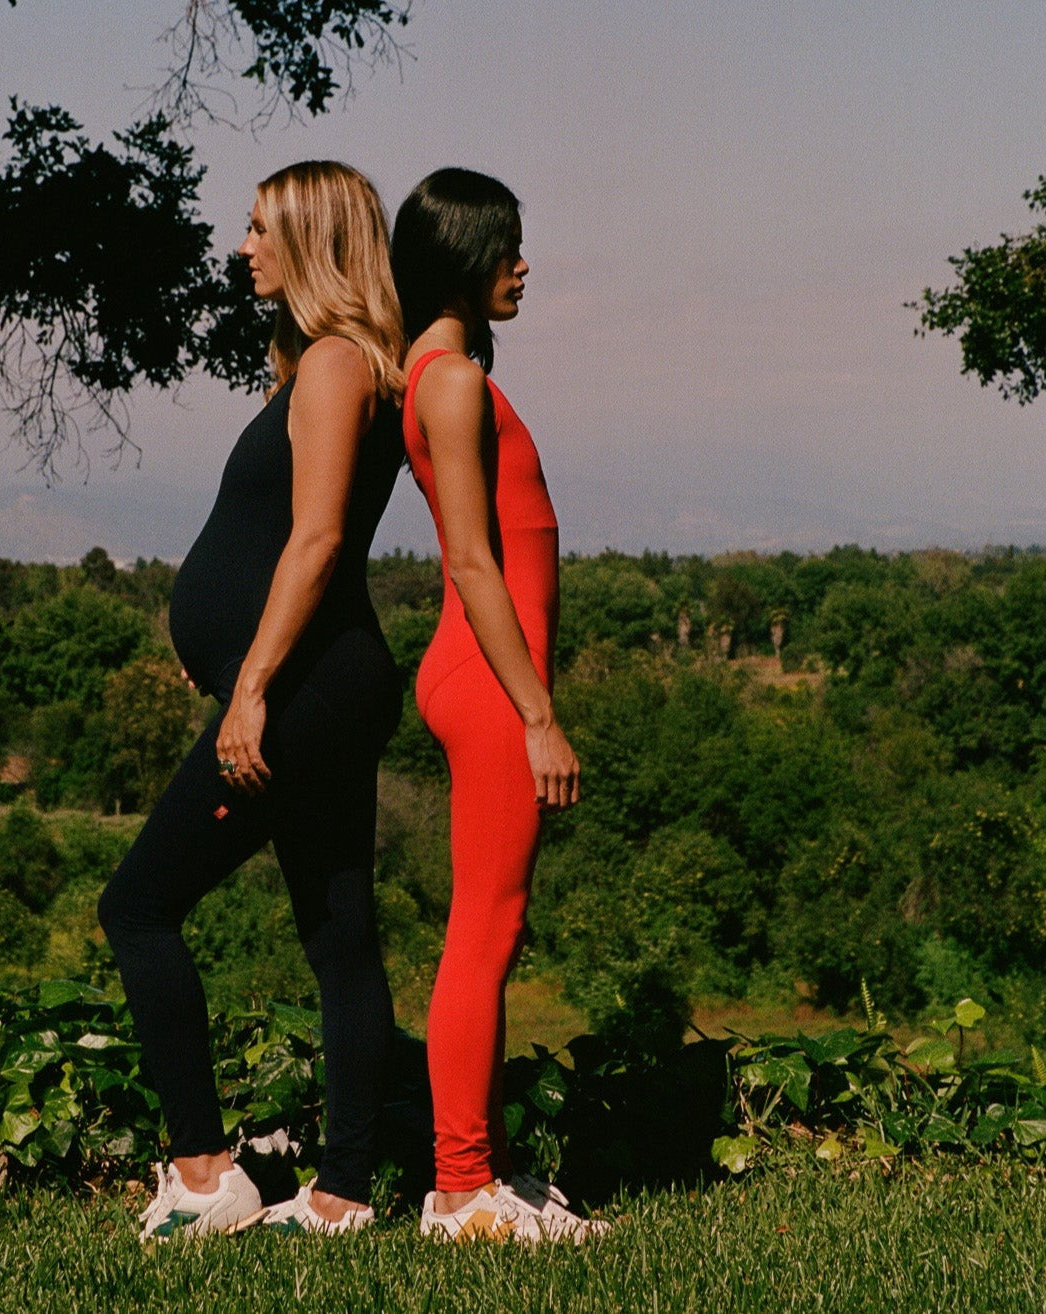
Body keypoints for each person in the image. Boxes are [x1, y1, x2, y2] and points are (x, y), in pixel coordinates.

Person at [99, 160, 405, 1238]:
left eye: (260, 227)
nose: (242, 246)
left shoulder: (333, 364)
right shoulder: (322, 361)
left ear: (312, 239)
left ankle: (203, 1173)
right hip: (312, 680)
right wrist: (225, 648)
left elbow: (317, 539)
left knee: (137, 906)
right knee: (337, 933)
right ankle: (344, 1191)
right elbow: (269, 538)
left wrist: (255, 684)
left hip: (305, 689)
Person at [392, 168, 599, 1242]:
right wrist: (536, 715)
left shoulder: (441, 367)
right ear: (463, 259)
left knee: (493, 926)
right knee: (485, 927)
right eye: (506, 248)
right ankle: (460, 1189)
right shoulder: (452, 379)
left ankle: (487, 1176)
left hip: (483, 673)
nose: (524, 266)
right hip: (487, 680)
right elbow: (474, 562)